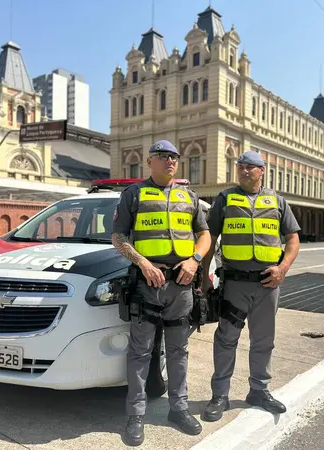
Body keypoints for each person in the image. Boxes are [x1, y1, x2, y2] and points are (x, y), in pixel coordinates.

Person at [111, 139, 211, 446]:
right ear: (149, 161)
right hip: (147, 284)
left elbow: (204, 233)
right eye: (163, 156)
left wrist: (195, 261)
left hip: (181, 286)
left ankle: (178, 408)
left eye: (174, 157)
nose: (170, 161)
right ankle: (135, 415)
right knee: (140, 352)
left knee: (179, 351)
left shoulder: (189, 196)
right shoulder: (134, 194)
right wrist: (142, 263)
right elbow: (117, 236)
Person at [200, 150, 301, 422]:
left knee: (263, 341)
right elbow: (209, 238)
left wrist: (283, 269)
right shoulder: (225, 199)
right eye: (240, 166)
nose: (244, 171)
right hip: (234, 284)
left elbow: (292, 240)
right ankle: (219, 395)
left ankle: (259, 390)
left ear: (262, 170)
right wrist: (203, 278)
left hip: (268, 285)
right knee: (226, 340)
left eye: (250, 167)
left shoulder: (277, 201)